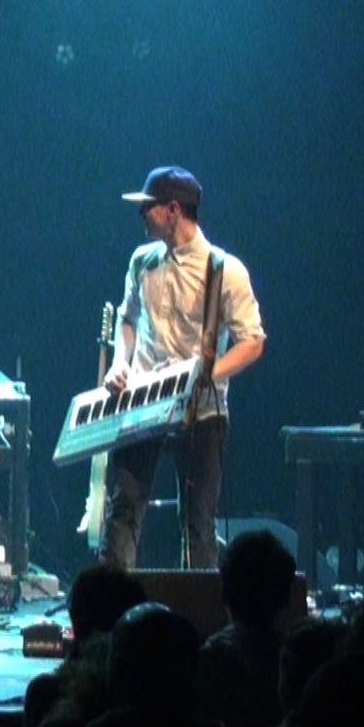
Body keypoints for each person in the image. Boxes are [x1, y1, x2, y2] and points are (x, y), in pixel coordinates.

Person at [100, 166, 265, 570]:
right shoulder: (141, 261)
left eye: (149, 206)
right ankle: (110, 601)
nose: (141, 214)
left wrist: (208, 375)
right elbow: (127, 318)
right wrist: (120, 363)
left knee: (197, 523)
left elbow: (252, 341)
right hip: (142, 404)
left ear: (173, 210)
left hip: (201, 413)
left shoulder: (225, 270)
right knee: (123, 509)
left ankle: (199, 606)